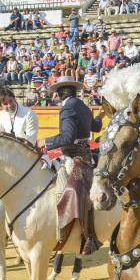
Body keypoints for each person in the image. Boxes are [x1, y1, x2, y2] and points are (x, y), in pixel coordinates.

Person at [43, 75, 104, 256]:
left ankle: (84, 235)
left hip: (75, 156)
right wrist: (100, 115)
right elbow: (96, 128)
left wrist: (45, 141)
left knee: (68, 190)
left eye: (55, 94)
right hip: (85, 155)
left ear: (60, 94)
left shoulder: (67, 108)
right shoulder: (83, 106)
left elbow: (67, 138)